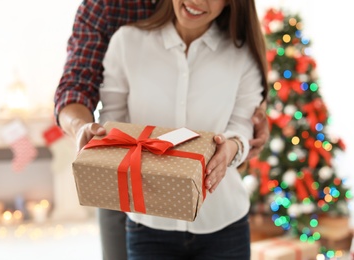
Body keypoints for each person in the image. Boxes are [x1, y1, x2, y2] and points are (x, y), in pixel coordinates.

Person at [54, 1, 269, 259]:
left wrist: (233, 146)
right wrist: (92, 133)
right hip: (147, 225)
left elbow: (242, 124)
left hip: (223, 223)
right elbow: (102, 109)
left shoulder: (242, 54)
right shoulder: (126, 40)